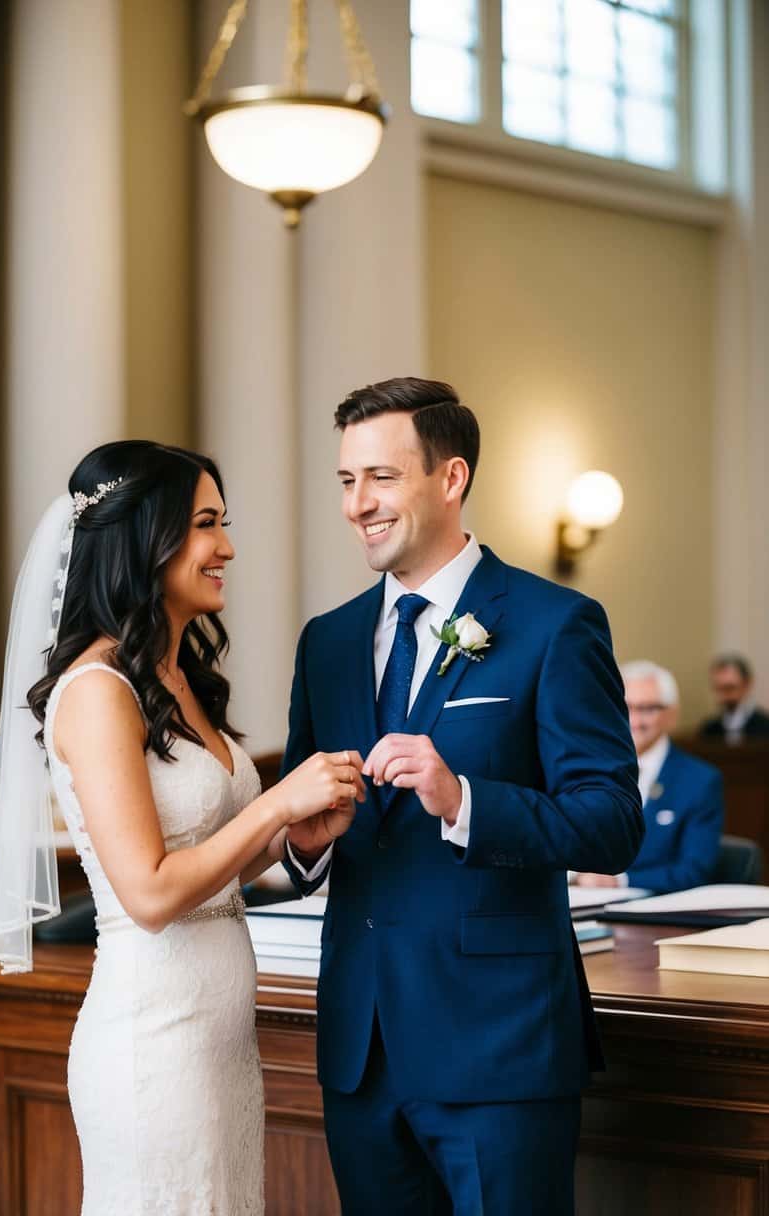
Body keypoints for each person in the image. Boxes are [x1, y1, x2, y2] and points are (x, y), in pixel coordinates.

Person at [280, 378, 643, 1216]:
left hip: (498, 1048)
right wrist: (306, 844)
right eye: (345, 481)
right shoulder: (327, 641)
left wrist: (464, 801)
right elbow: (309, 823)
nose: (357, 505)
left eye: (380, 478)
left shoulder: (556, 622)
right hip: (360, 1052)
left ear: (450, 479)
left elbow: (612, 823)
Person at [0, 440, 364, 1216]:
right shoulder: (96, 691)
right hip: (152, 1045)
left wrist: (298, 841)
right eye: (204, 525)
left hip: (221, 1046)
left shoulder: (177, 679)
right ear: (143, 539)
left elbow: (213, 865)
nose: (225, 547)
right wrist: (275, 804)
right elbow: (150, 895)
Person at [573, 660, 723, 894]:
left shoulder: (700, 781)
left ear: (671, 714)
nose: (635, 720)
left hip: (655, 914)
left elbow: (694, 871)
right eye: (626, 707)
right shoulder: (587, 767)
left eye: (647, 709)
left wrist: (619, 881)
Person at [699, 653, 769, 742]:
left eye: (729, 688)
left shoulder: (764, 727)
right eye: (718, 689)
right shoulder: (709, 729)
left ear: (747, 684)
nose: (722, 696)